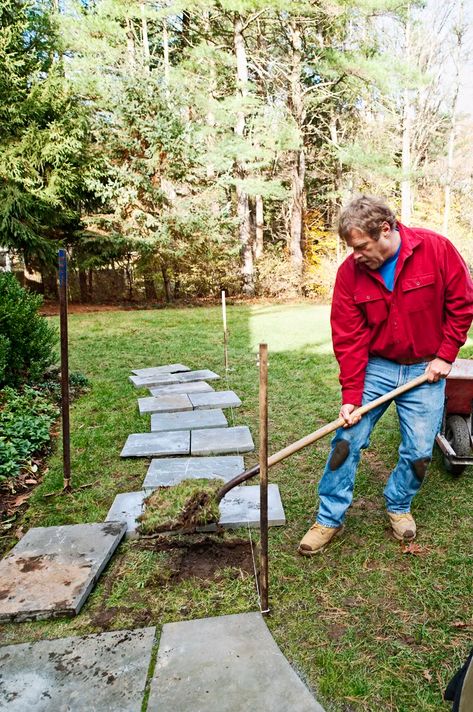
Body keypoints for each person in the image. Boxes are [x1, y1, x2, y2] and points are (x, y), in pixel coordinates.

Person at [298, 195, 473, 556]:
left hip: (426, 368)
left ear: (386, 230)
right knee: (347, 440)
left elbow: (462, 303)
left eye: (361, 246)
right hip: (376, 367)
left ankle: (398, 505)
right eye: (351, 247)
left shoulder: (436, 250)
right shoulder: (350, 273)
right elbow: (347, 337)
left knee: (420, 450)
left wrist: (445, 356)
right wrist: (350, 396)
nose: (356, 255)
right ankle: (329, 518)